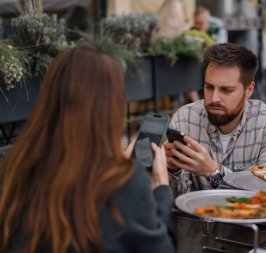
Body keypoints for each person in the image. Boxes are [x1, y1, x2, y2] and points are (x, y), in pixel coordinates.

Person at [0, 46, 176, 253]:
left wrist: (117, 163)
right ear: (111, 107)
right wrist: (161, 187)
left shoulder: (13, 168)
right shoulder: (123, 183)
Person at [164, 43, 266, 195]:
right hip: (199, 217)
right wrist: (172, 170)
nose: (214, 98)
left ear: (248, 90)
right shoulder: (185, 118)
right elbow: (175, 201)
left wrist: (213, 172)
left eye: (226, 90)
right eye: (209, 87)